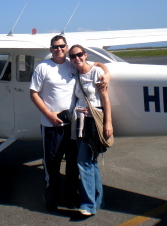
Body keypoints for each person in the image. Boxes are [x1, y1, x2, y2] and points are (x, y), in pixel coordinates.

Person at [30, 35, 110, 211]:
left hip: (73, 126)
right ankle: (51, 199)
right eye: (55, 47)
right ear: (50, 49)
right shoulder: (42, 67)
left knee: (73, 165)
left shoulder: (72, 63)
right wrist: (48, 115)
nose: (59, 49)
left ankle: (70, 197)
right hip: (51, 125)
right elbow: (34, 93)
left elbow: (95, 66)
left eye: (62, 46)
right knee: (52, 165)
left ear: (66, 48)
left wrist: (107, 74)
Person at [68, 44, 113, 217]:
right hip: (79, 122)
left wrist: (108, 123)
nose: (77, 58)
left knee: (83, 162)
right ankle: (98, 200)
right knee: (91, 162)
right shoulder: (77, 73)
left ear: (85, 55)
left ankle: (88, 205)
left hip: (92, 122)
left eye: (80, 54)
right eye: (73, 56)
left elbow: (105, 99)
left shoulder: (96, 72)